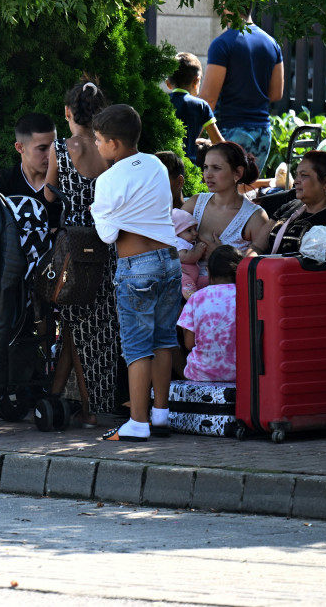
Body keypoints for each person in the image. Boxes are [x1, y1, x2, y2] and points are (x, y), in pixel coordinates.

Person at [90, 104, 183, 442]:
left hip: (136, 267)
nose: (97, 146)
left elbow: (107, 235)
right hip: (169, 261)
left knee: (136, 347)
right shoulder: (157, 165)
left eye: (99, 141)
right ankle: (160, 414)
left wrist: (97, 211)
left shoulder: (108, 180)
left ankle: (138, 422)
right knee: (163, 341)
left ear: (114, 143)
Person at [42, 81, 120, 424]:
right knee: (104, 327)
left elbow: (47, 194)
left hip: (74, 245)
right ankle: (96, 404)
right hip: (107, 239)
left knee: (74, 321)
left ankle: (84, 407)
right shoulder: (110, 149)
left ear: (67, 112)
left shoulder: (61, 149)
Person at [198, 10, 284, 164]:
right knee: (247, 187)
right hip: (262, 133)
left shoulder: (222, 44)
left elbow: (208, 99)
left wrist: (194, 135)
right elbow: (276, 93)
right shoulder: (271, 43)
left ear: (226, 5)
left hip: (229, 131)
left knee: (222, 187)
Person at [182, 142, 271, 276]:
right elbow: (168, 240)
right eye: (206, 167)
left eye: (216, 168)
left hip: (228, 294)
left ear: (238, 173)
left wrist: (225, 257)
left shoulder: (254, 217)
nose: (208, 174)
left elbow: (262, 267)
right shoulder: (194, 204)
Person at [264, 150, 326, 256]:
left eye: (304, 175)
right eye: (297, 175)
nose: (296, 181)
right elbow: (256, 246)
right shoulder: (291, 207)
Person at [177, 244, 242, 383]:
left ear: (208, 272)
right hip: (244, 373)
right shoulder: (249, 296)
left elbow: (189, 344)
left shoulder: (196, 298)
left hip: (201, 374)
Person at [166, 52, 224, 164]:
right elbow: (218, 143)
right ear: (196, 81)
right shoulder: (201, 105)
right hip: (189, 167)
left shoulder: (161, 102)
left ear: (168, 84)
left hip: (163, 167)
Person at [172, 209, 206, 300]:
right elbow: (184, 256)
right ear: (176, 232)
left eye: (195, 229)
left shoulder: (186, 242)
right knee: (185, 280)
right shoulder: (178, 241)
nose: (195, 233)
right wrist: (198, 251)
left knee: (206, 280)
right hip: (183, 275)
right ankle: (190, 295)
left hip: (194, 278)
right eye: (189, 230)